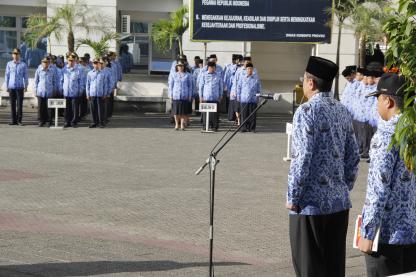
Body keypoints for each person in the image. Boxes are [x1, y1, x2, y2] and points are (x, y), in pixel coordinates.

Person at [286, 56, 360, 277]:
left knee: (310, 269)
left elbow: (301, 159)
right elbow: (353, 156)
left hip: (310, 205)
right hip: (338, 204)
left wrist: (293, 196)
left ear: (311, 83)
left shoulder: (306, 111)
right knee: (333, 267)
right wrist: (342, 187)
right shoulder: (342, 109)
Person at [358, 73, 416, 277]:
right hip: (411, 231)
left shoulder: (385, 136)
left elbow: (378, 190)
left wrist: (367, 232)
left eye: (378, 99)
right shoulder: (412, 132)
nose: (376, 105)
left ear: (388, 101)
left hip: (386, 235)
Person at [5, 48, 28, 126]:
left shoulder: (23, 64)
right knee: (12, 104)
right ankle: (13, 120)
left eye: (17, 54)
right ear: (12, 55)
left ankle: (19, 120)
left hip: (20, 87)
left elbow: (25, 76)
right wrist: (7, 85)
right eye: (14, 54)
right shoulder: (9, 64)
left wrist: (26, 86)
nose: (15, 55)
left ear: (19, 55)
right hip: (11, 87)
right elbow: (7, 75)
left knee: (19, 105)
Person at [168, 61, 193, 130]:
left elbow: (190, 86)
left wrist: (190, 95)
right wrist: (170, 95)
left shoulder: (188, 75)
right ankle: (176, 124)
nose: (180, 67)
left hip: (184, 95)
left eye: (181, 66)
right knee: (176, 112)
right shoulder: (173, 75)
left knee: (183, 112)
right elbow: (171, 85)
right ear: (177, 67)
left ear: (184, 67)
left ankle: (182, 124)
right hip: (176, 95)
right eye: (179, 66)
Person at [237, 62, 261, 132]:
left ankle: (252, 128)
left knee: (252, 115)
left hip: (253, 99)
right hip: (244, 99)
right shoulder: (242, 77)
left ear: (253, 69)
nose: (250, 70)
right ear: (246, 70)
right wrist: (238, 96)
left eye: (251, 69)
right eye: (248, 69)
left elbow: (259, 88)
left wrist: (259, 97)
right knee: (244, 114)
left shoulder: (256, 78)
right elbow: (239, 87)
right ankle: (243, 127)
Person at [199, 62, 223, 132]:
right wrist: (201, 96)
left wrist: (221, 95)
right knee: (205, 113)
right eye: (211, 67)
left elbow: (221, 86)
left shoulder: (218, 75)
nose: (212, 69)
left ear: (215, 68)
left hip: (215, 97)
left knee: (215, 113)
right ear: (208, 68)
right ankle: (205, 126)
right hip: (206, 97)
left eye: (213, 67)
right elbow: (201, 86)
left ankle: (214, 126)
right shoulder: (204, 75)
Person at [62, 55, 82, 128]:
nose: (71, 62)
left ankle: (73, 121)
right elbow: (61, 80)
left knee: (74, 108)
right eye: (69, 60)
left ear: (75, 61)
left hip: (74, 92)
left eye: (72, 60)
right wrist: (62, 89)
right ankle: (67, 121)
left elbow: (81, 81)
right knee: (66, 108)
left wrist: (80, 90)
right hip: (66, 92)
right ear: (67, 60)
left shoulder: (78, 69)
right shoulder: (64, 69)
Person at [34, 57, 55, 127]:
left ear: (49, 63)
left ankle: (49, 121)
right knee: (40, 108)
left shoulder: (52, 71)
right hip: (40, 91)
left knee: (49, 108)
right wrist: (35, 91)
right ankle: (41, 120)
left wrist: (54, 90)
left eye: (47, 62)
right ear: (42, 63)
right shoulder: (38, 71)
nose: (45, 64)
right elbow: (36, 82)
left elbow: (54, 81)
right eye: (44, 62)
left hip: (49, 92)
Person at [86, 58, 106, 128]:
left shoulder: (103, 73)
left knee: (100, 109)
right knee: (93, 109)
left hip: (100, 94)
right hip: (92, 93)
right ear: (93, 64)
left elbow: (105, 84)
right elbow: (87, 84)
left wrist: (105, 93)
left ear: (99, 64)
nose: (96, 65)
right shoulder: (89, 73)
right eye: (94, 63)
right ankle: (94, 122)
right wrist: (87, 94)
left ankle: (101, 122)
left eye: (97, 63)